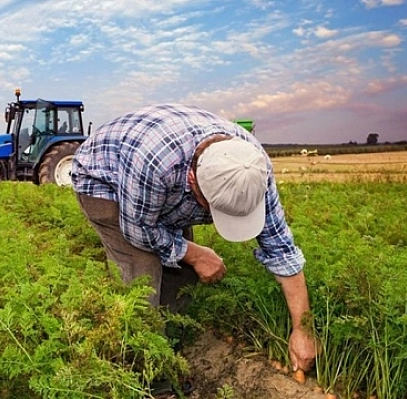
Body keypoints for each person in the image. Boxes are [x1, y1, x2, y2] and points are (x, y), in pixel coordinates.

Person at [71, 104, 316, 398]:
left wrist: (303, 329)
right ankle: (148, 373)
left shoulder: (251, 167)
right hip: (104, 182)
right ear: (192, 181)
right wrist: (196, 253)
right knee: (142, 279)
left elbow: (281, 249)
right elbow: (139, 230)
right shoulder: (154, 164)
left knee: (181, 277)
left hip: (161, 186)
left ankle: (169, 348)